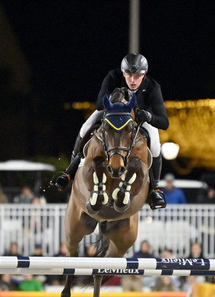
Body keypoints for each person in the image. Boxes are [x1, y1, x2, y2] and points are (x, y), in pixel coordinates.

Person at [51, 53, 170, 209]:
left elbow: (164, 121)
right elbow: (100, 103)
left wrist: (147, 115)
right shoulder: (113, 77)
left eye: (137, 76)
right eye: (129, 75)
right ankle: (69, 173)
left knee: (155, 143)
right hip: (112, 114)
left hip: (138, 119)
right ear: (123, 73)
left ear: (144, 74)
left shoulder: (153, 87)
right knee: (86, 126)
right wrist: (116, 98)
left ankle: (155, 189)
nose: (133, 80)